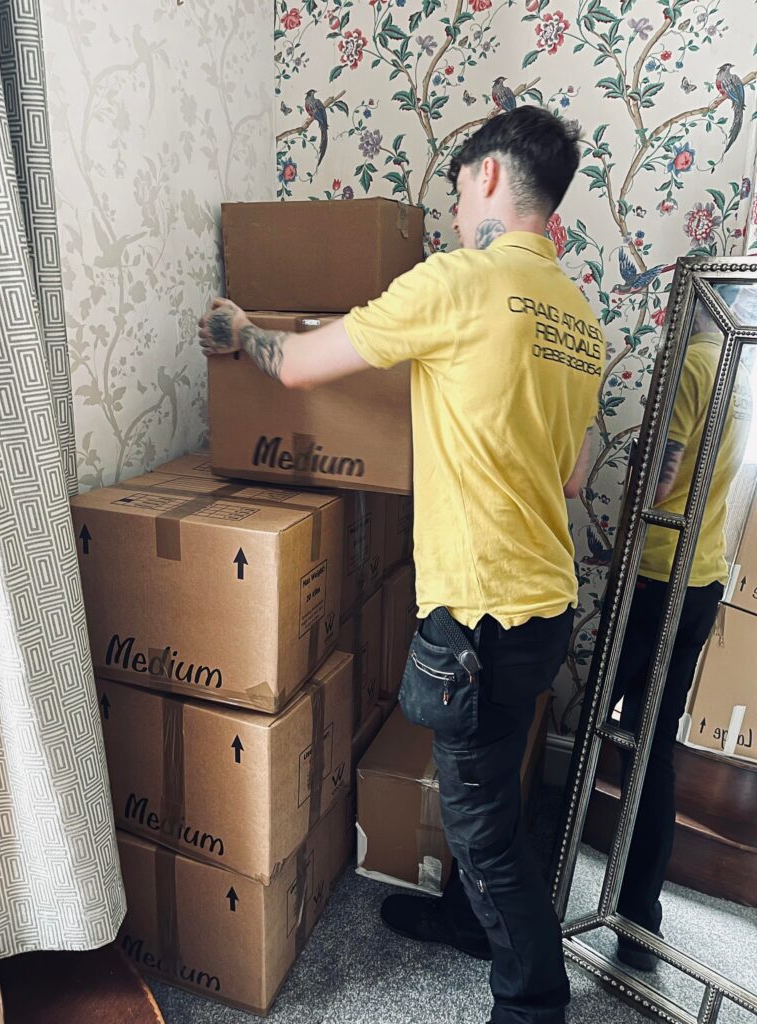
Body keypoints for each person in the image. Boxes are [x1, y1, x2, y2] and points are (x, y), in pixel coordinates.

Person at [199, 106, 605, 1024]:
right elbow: (576, 477)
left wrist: (236, 331)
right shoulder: (580, 319)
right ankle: (468, 921)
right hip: (546, 600)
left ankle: (534, 1001)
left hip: (484, 609)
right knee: (492, 785)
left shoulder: (459, 283)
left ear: (491, 178)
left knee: (481, 827)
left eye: (460, 190)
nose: (457, 211)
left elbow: (298, 364)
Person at [611, 297, 753, 971]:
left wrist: (627, 506)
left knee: (596, 724)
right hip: (700, 578)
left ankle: (585, 895)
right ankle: (641, 919)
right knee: (652, 744)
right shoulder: (734, 372)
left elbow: (662, 478)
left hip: (661, 576)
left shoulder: (696, 364)